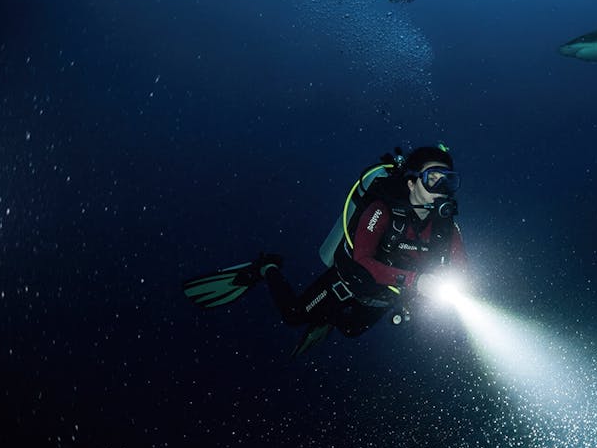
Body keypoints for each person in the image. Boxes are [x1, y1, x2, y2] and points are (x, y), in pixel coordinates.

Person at [183, 144, 467, 356]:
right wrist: (415, 280)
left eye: (449, 181)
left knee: (350, 330)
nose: (441, 188)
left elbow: (462, 271)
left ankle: (328, 318)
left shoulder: (447, 229)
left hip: (382, 298)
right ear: (411, 182)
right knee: (294, 315)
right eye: (433, 178)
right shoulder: (382, 210)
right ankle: (266, 267)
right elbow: (362, 259)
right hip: (346, 283)